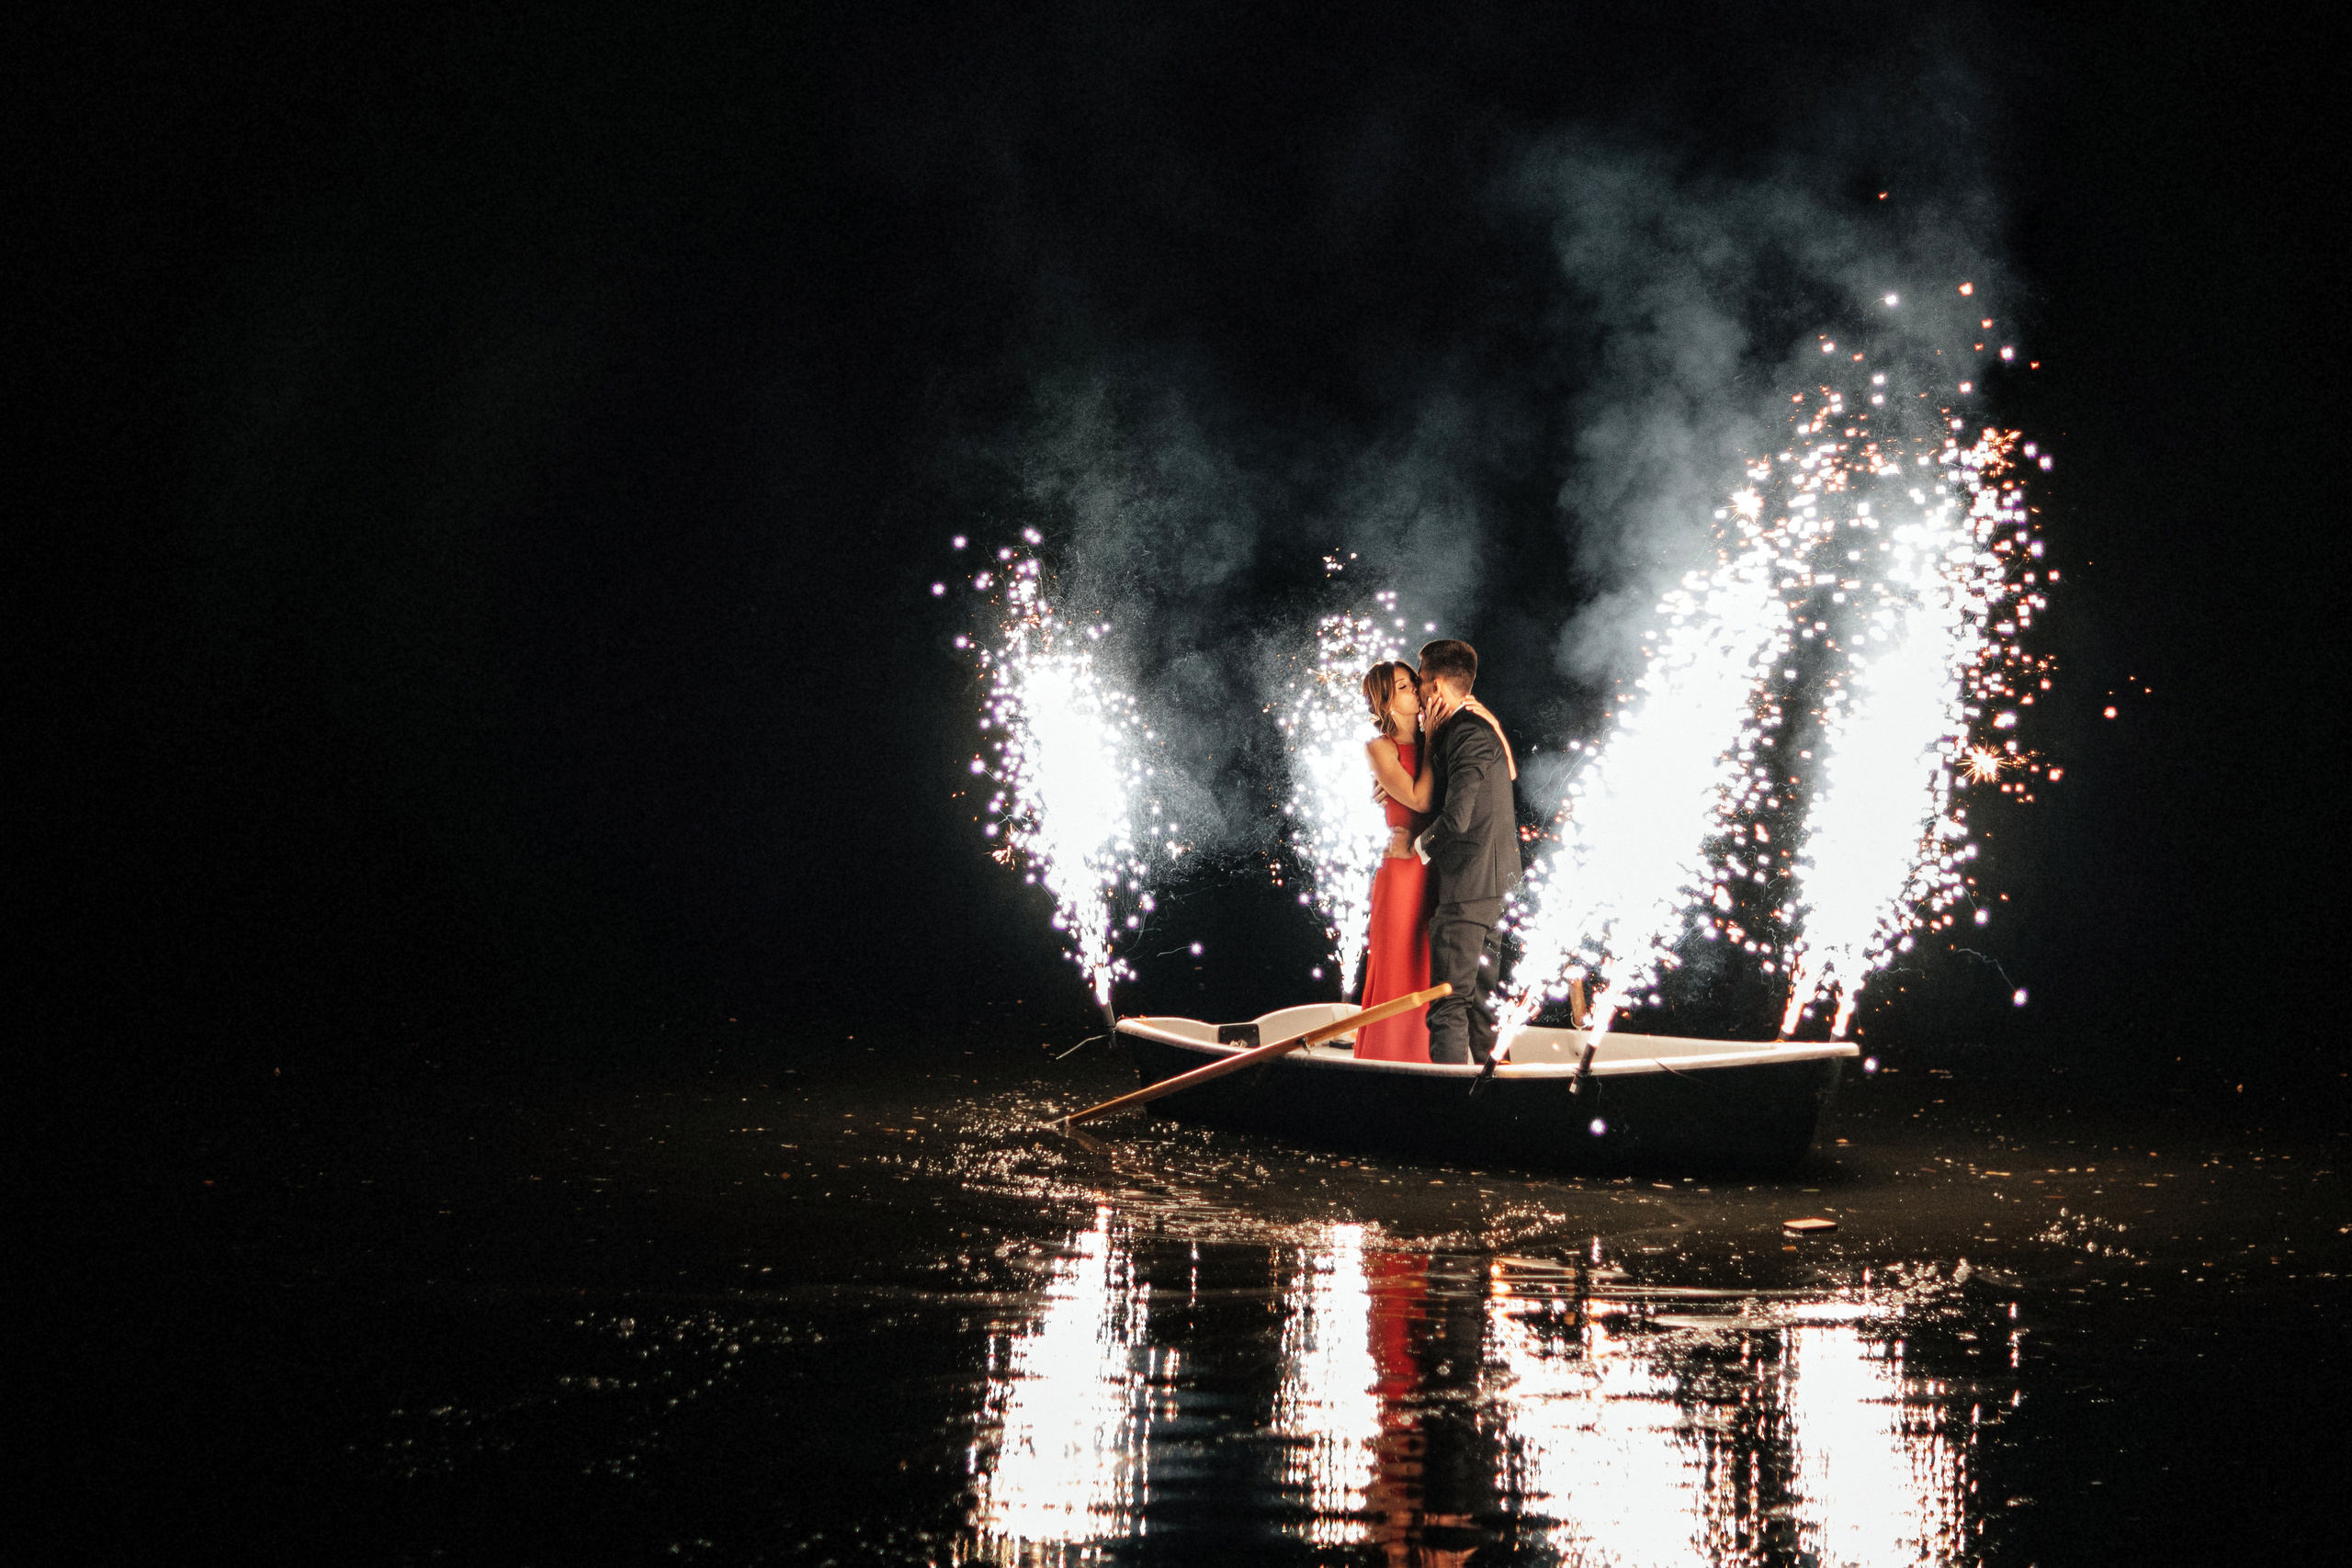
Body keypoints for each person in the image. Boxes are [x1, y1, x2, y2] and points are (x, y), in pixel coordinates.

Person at [1410, 639, 1521, 1066]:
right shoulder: (1471, 727)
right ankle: (1497, 1098)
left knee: (1449, 1005)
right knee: (1483, 1003)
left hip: (1470, 889)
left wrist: (1417, 848)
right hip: (1495, 887)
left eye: (1420, 681)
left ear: (1435, 685)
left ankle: (1448, 1111)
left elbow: (1455, 820)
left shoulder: (1466, 733)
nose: (1419, 692)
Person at [1356, 661, 1437, 1061]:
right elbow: (1420, 801)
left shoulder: (1434, 740)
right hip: (1403, 873)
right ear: (1385, 702)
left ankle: (1428, 1056)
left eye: (1412, 683)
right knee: (1399, 966)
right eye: (1403, 687)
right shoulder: (1379, 748)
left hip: (1435, 868)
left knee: (1429, 962)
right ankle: (1391, 1057)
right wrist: (1434, 744)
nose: (1414, 692)